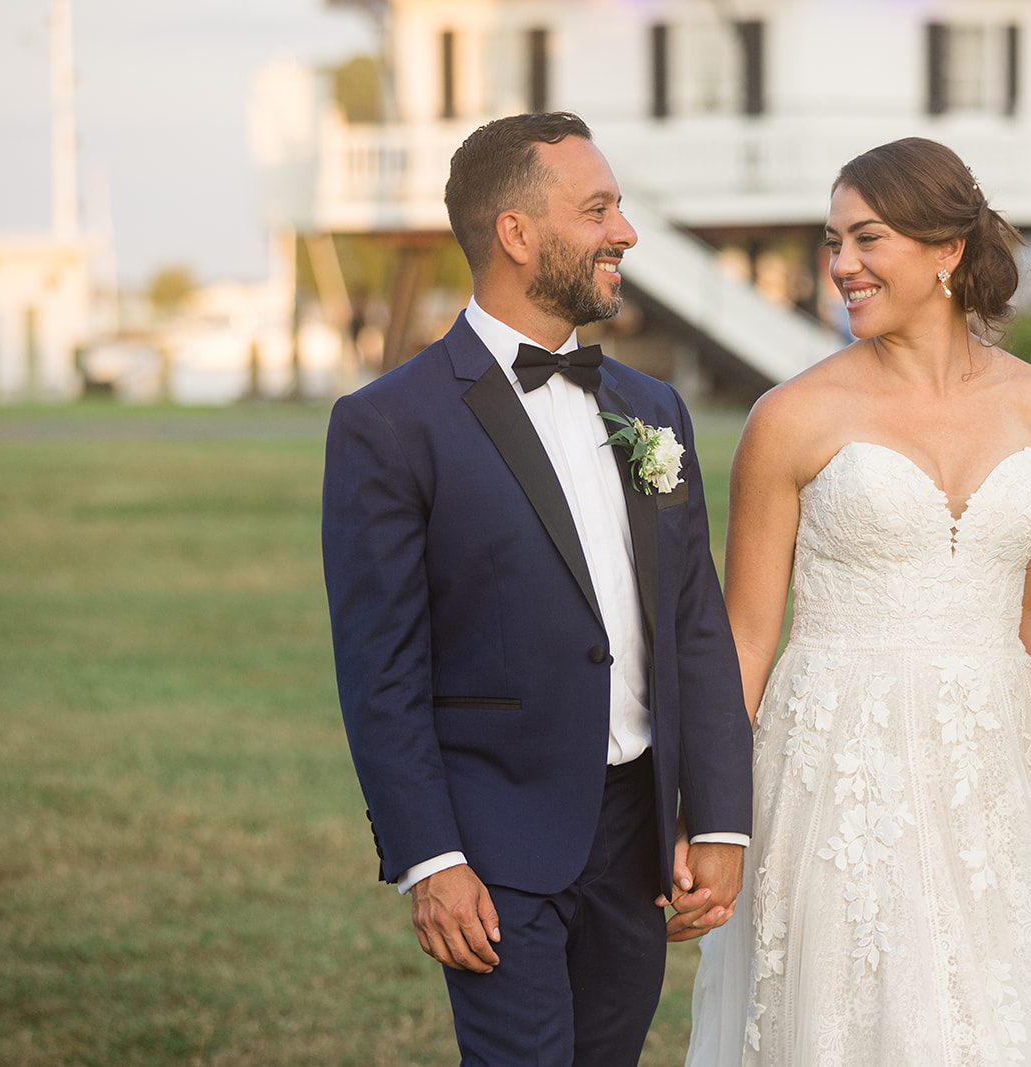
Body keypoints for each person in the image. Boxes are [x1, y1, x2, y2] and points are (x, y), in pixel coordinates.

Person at [684, 137, 1031, 1066]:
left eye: (867, 239)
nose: (841, 266)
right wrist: (711, 815)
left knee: (994, 1023)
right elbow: (744, 636)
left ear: (947, 251)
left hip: (991, 764)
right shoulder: (790, 417)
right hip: (837, 764)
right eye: (833, 242)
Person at [322, 111, 754, 1067]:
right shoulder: (389, 426)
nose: (625, 233)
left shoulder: (654, 409)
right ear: (516, 234)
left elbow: (694, 626)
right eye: (597, 209)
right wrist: (431, 858)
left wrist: (718, 819)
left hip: (638, 840)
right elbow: (380, 671)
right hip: (495, 838)